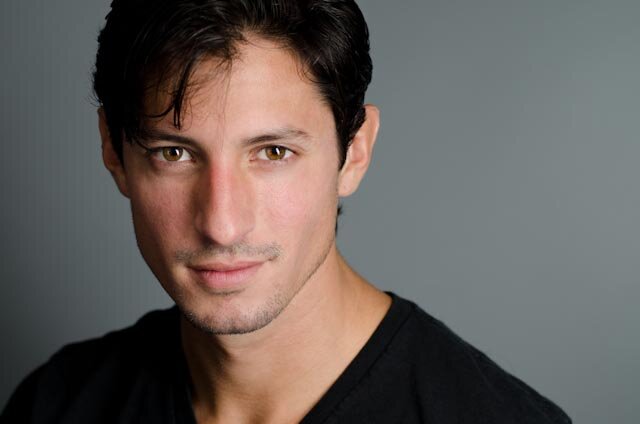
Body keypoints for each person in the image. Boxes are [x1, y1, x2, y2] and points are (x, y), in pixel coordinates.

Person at [1, 1, 571, 423]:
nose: (222, 224)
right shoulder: (56, 404)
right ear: (112, 150)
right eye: (174, 153)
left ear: (355, 152)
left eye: (273, 152)